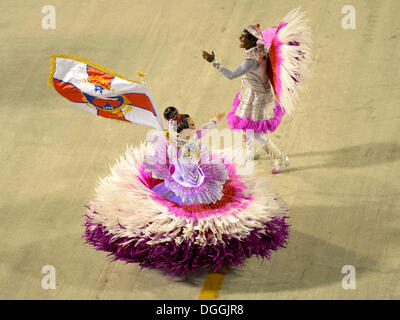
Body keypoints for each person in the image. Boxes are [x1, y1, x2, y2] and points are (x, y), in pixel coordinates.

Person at [83, 106, 289, 277]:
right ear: (182, 130)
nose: (195, 127)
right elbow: (185, 161)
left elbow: (201, 133)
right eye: (191, 125)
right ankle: (190, 242)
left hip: (197, 176)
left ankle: (202, 240)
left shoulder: (189, 138)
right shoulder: (178, 145)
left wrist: (214, 122)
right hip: (185, 181)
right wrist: (191, 154)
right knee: (190, 212)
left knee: (202, 205)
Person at [202, 8, 312, 174]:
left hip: (256, 98)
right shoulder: (260, 49)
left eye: (243, 37)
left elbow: (231, 75)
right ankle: (251, 151)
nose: (240, 38)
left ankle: (281, 158)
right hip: (253, 93)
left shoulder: (249, 61)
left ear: (251, 41)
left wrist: (214, 62)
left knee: (254, 131)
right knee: (247, 126)